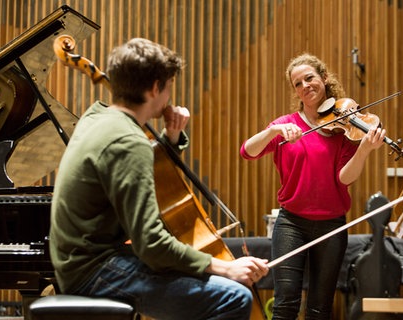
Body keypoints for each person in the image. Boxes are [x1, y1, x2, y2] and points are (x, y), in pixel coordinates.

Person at [49, 38, 269, 320]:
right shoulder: (130, 141)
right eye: (168, 87)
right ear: (155, 87)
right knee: (234, 295)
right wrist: (226, 268)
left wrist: (170, 140)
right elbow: (151, 244)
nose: (168, 97)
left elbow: (130, 172)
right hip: (95, 271)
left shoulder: (96, 118)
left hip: (77, 263)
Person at [240, 53, 385, 319]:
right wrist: (273, 131)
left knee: (320, 308)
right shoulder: (285, 125)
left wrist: (364, 149)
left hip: (331, 225)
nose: (305, 85)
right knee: (285, 302)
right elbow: (247, 151)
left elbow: (344, 178)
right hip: (291, 223)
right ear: (295, 90)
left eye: (310, 78)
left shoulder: (343, 126)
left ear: (324, 78)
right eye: (298, 83)